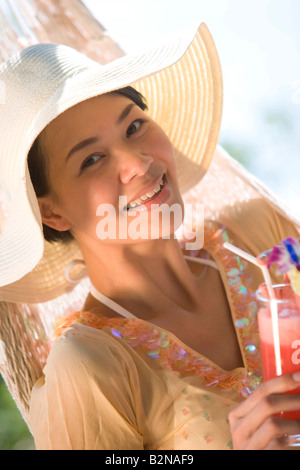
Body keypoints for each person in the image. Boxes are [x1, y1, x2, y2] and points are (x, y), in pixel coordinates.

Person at [0, 23, 299, 451]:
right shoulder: (89, 368)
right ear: (52, 211)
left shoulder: (260, 235)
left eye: (134, 127)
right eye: (92, 159)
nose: (138, 163)